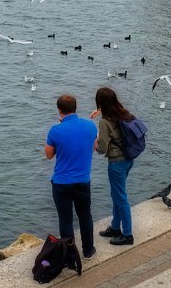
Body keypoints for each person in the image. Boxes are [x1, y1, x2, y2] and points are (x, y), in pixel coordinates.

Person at [45, 94, 99, 259]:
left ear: (59, 111)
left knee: (66, 220)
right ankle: (88, 250)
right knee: (85, 216)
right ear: (76, 108)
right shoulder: (90, 126)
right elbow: (93, 148)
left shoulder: (55, 130)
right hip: (83, 181)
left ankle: (69, 256)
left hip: (62, 183)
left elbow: (49, 155)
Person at [90, 87, 136, 247]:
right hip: (128, 159)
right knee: (117, 194)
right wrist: (100, 111)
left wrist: (93, 141)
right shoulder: (123, 112)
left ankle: (127, 234)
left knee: (121, 197)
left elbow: (102, 148)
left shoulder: (104, 122)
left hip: (116, 162)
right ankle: (115, 227)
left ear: (100, 103)